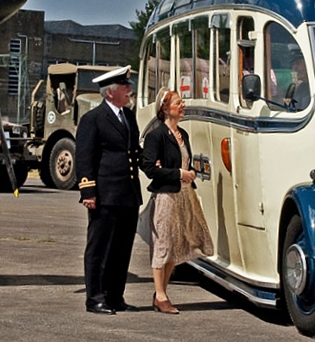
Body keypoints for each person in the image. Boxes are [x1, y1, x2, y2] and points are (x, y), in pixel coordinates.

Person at [75, 65, 142, 315]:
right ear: (111, 92)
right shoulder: (93, 119)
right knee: (98, 250)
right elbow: (84, 157)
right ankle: (95, 299)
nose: (130, 90)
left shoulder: (128, 117)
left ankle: (115, 296)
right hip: (104, 195)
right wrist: (88, 192)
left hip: (128, 194)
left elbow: (133, 152)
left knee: (121, 250)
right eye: (125, 86)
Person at [140, 90, 214, 314]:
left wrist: (188, 172)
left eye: (182, 103)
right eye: (178, 103)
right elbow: (150, 168)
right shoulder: (156, 135)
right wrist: (178, 173)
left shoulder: (183, 134)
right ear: (165, 108)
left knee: (175, 244)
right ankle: (161, 295)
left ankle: (161, 292)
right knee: (162, 244)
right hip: (166, 196)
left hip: (184, 195)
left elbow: (184, 162)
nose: (183, 106)